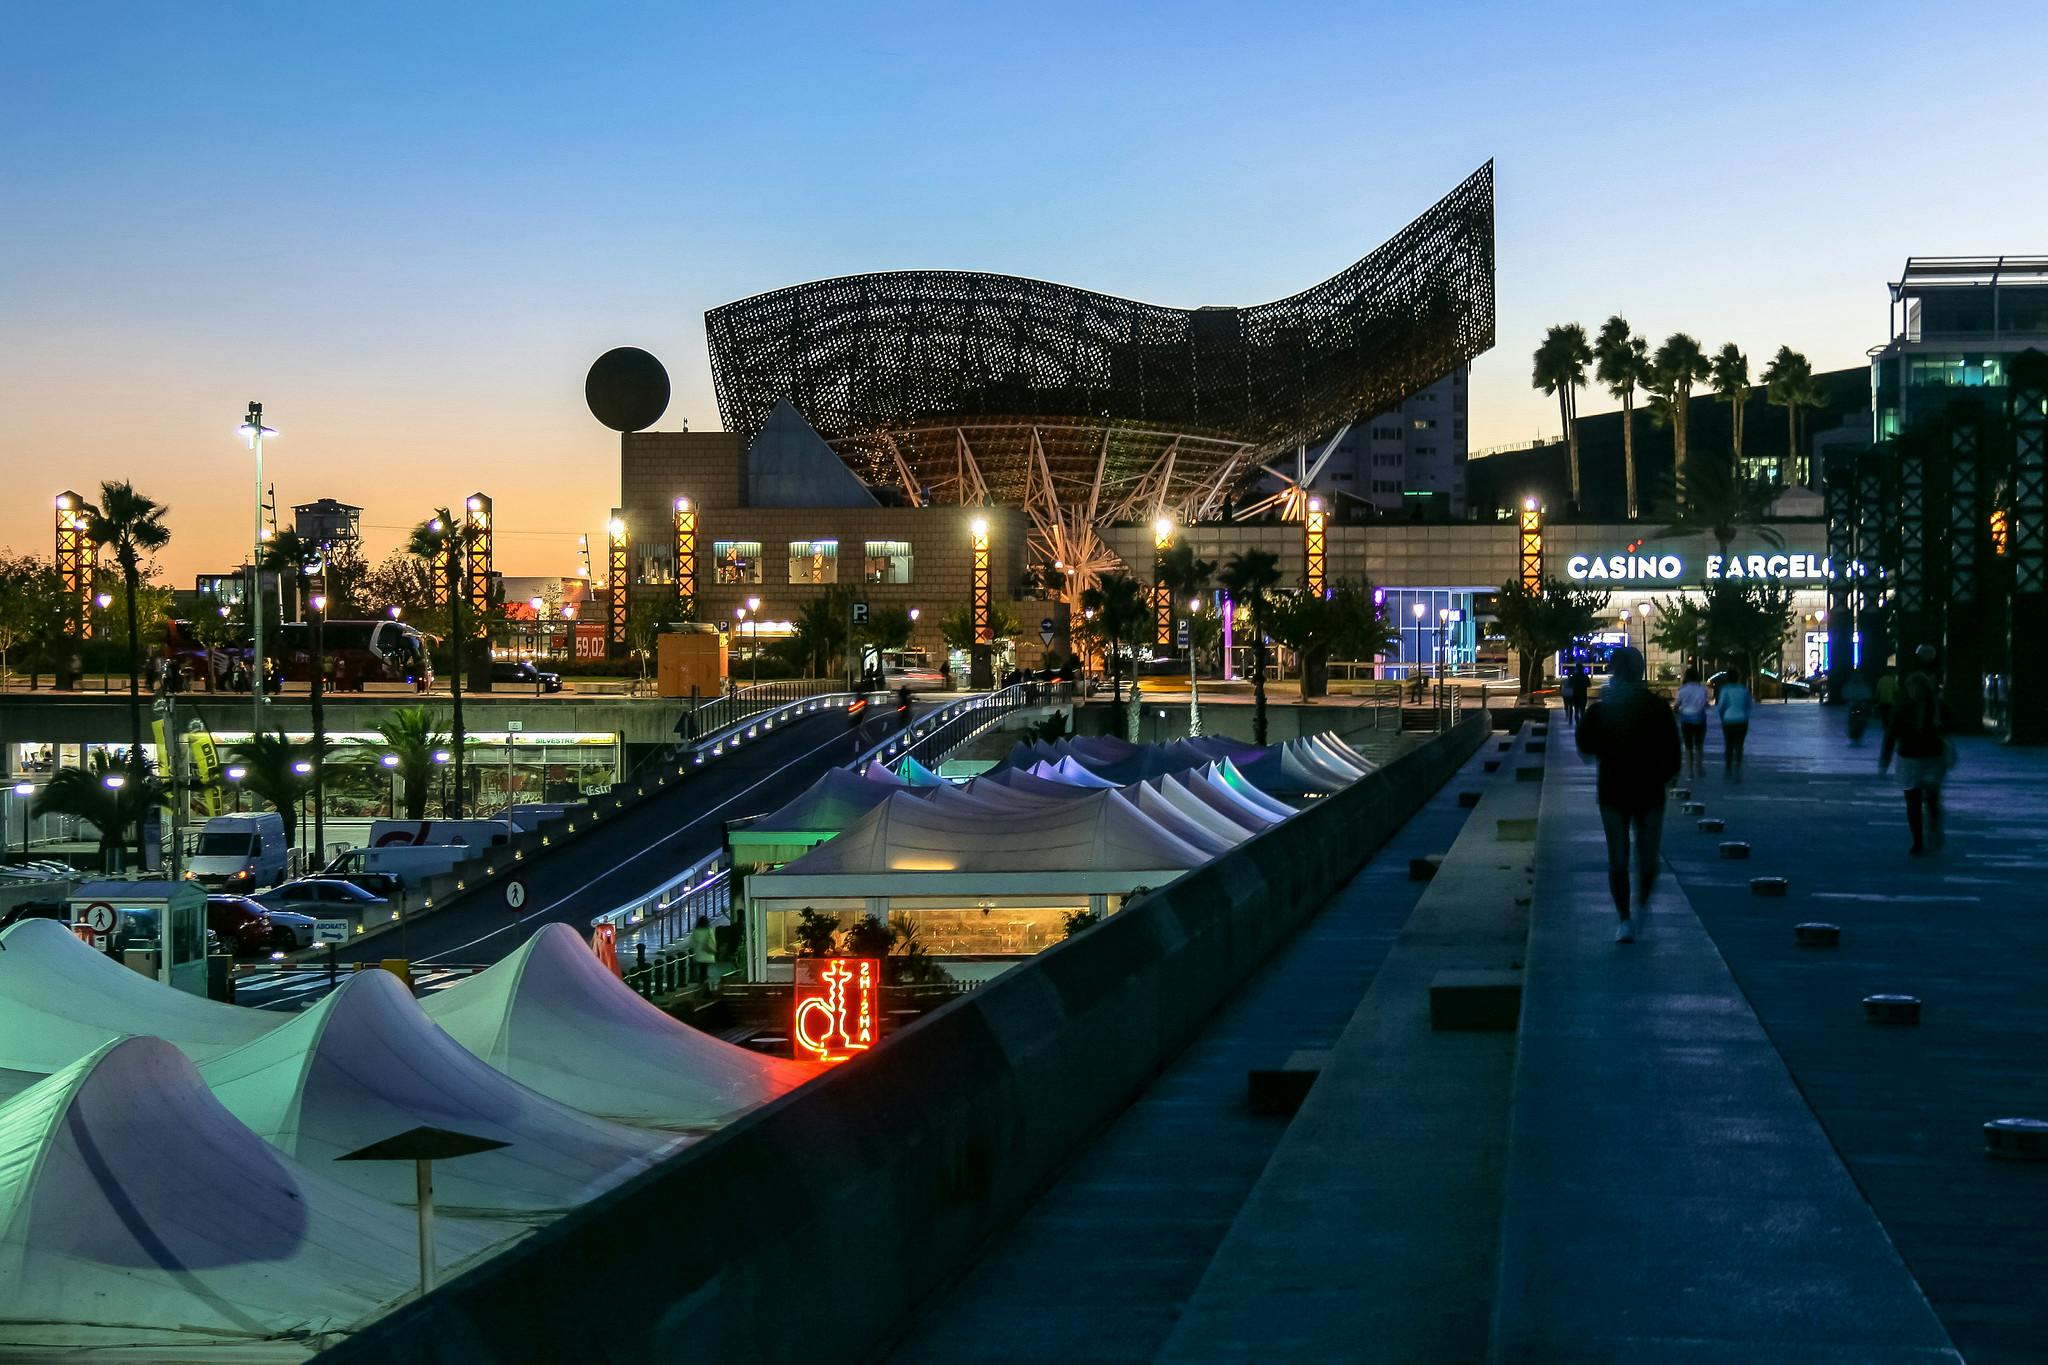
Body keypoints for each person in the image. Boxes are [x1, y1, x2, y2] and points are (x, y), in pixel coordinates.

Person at [1576, 646, 1681, 943]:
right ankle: (1641, 908)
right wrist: (1665, 775)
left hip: (1613, 788)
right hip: (1650, 790)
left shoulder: (1604, 708)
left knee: (1618, 857)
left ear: (1615, 672)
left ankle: (1624, 919)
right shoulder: (1656, 707)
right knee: (1646, 856)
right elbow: (1673, 751)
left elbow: (1585, 744)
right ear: (1640, 671)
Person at [1881, 671, 1950, 854]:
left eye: (1917, 688)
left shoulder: (1937, 706)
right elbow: (1891, 734)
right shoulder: (1902, 708)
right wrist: (1885, 757)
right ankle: (1918, 840)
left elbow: (1955, 723)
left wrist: (1941, 725)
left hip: (1932, 757)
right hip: (1908, 758)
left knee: (1931, 795)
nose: (1914, 691)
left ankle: (1933, 828)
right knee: (1912, 801)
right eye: (1911, 688)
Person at [1717, 667, 1754, 782]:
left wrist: (1722, 716)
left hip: (1728, 720)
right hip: (1742, 720)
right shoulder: (1743, 690)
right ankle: (1738, 768)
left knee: (1728, 745)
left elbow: (1721, 705)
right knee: (1739, 746)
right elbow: (1749, 706)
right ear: (1738, 678)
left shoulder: (1725, 690)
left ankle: (1728, 769)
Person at [1674, 668, 1710, 778]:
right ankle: (1699, 768)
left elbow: (1677, 705)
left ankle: (1690, 772)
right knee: (1699, 745)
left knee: (1688, 746)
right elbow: (1706, 704)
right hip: (1700, 718)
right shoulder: (1702, 690)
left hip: (1686, 719)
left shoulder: (1682, 690)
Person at [688, 914, 721, 992]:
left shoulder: (696, 931)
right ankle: (704, 985)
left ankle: (701, 983)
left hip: (699, 953)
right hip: (707, 952)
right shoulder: (708, 930)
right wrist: (715, 948)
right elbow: (712, 941)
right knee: (705, 969)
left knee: (702, 969)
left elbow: (692, 942)